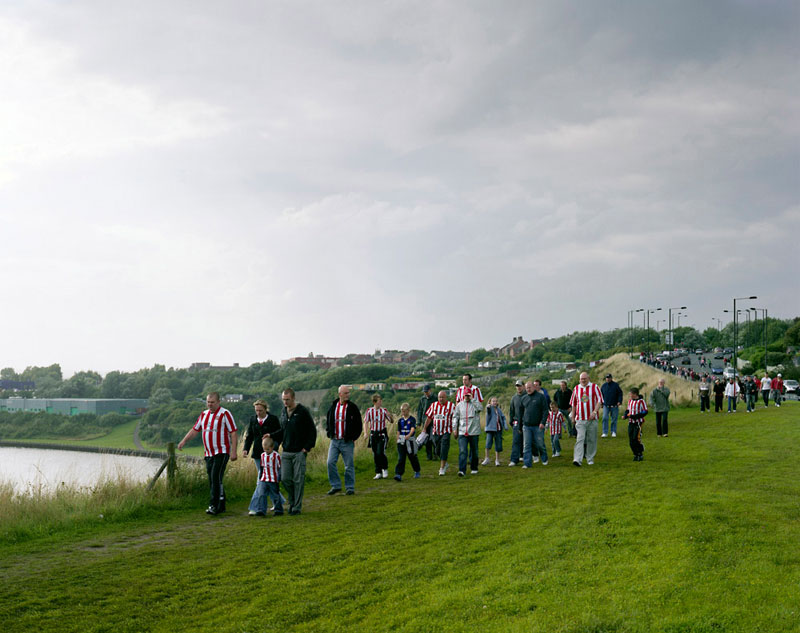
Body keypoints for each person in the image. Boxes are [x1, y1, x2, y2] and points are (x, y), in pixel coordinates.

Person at [178, 392, 238, 515]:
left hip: (221, 451)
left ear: (218, 402)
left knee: (215, 477)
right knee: (214, 479)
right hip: (209, 453)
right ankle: (221, 503)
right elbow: (195, 430)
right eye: (208, 402)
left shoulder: (225, 413)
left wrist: (233, 452)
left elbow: (233, 432)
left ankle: (213, 505)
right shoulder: (204, 414)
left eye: (212, 402)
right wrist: (184, 440)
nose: (210, 405)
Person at [279, 388, 317, 515]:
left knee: (298, 480)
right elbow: (282, 430)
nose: (285, 402)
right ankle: (292, 499)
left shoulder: (302, 411)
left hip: (299, 451)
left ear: (293, 398)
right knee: (285, 479)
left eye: (287, 400)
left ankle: (296, 507)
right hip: (286, 451)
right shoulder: (283, 412)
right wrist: (271, 437)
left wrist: (307, 447)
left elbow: (312, 430)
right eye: (283, 400)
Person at [243, 399, 284, 516]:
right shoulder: (253, 419)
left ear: (266, 409)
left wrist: (273, 442)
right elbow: (249, 435)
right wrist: (246, 448)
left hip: (271, 454)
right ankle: (279, 502)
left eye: (260, 410)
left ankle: (255, 507)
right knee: (263, 479)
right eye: (256, 411)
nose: (258, 413)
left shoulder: (273, 419)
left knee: (263, 480)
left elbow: (280, 433)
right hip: (257, 454)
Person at [325, 385, 362, 495]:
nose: (348, 395)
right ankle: (335, 485)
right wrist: (329, 432)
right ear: (340, 394)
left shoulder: (352, 407)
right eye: (345, 393)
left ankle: (350, 487)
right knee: (330, 462)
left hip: (347, 441)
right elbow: (329, 420)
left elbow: (358, 424)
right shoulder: (333, 406)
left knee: (348, 465)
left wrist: (353, 437)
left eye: (348, 393)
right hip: (335, 440)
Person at [569, 372, 603, 466]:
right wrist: (573, 417)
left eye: (584, 378)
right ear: (579, 380)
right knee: (580, 438)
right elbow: (573, 403)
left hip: (592, 419)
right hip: (580, 419)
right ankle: (577, 459)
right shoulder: (576, 388)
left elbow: (600, 401)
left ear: (588, 378)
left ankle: (590, 458)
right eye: (581, 379)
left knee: (591, 439)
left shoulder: (595, 387)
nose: (583, 380)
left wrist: (595, 412)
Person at [424, 390, 455, 476]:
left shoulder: (451, 406)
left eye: (443, 397)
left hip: (446, 431)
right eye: (439, 397)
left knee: (444, 447)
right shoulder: (433, 406)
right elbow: (429, 418)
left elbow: (455, 418)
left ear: (446, 397)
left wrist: (455, 430)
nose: (441, 399)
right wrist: (424, 428)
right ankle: (445, 463)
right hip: (436, 431)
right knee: (437, 451)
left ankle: (442, 468)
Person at [363, 394, 394, 480]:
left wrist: (390, 415)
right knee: (375, 453)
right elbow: (365, 422)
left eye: (381, 401)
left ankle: (384, 468)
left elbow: (391, 421)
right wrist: (365, 433)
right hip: (373, 434)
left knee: (381, 452)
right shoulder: (369, 411)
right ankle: (378, 472)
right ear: (374, 402)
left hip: (382, 434)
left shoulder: (384, 410)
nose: (381, 403)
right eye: (379, 401)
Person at [453, 388, 481, 476]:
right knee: (462, 451)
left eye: (469, 395)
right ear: (463, 395)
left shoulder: (475, 404)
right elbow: (455, 417)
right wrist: (455, 429)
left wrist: (473, 400)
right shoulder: (459, 405)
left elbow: (480, 408)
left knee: (474, 451)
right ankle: (462, 470)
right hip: (462, 432)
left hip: (474, 431)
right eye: (466, 395)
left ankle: (474, 467)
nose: (467, 397)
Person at [521, 380, 549, 468]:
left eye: (529, 387)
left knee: (540, 444)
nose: (528, 389)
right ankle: (527, 463)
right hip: (526, 426)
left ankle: (544, 458)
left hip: (538, 425)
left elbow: (545, 411)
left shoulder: (540, 397)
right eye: (526, 388)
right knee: (526, 445)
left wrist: (542, 422)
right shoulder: (524, 398)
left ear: (533, 387)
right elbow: (521, 412)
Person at [256, 436, 283, 515]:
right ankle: (261, 510)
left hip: (273, 479)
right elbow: (261, 467)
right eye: (264, 449)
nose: (266, 451)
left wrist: (279, 477)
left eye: (268, 449)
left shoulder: (276, 456)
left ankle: (278, 510)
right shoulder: (262, 455)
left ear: (272, 447)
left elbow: (280, 467)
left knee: (275, 495)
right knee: (261, 494)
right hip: (264, 478)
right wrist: (260, 476)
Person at [394, 403, 421, 481]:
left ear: (408, 410)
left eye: (404, 411)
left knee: (412, 457)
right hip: (401, 440)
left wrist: (409, 435)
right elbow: (398, 431)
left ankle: (417, 470)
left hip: (410, 441)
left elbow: (413, 429)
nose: (403, 412)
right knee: (401, 458)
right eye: (402, 411)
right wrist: (397, 439)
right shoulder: (400, 420)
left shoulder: (412, 419)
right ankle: (398, 474)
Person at [622, 387, 648, 462]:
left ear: (635, 394)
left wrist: (636, 416)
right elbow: (628, 410)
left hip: (638, 423)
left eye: (631, 394)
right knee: (631, 440)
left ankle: (640, 453)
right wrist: (625, 415)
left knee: (635, 439)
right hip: (631, 423)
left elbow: (645, 411)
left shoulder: (641, 401)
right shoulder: (630, 401)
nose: (630, 395)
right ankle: (635, 454)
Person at [482, 397, 507, 466]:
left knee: (498, 445)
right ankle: (486, 458)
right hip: (490, 429)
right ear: (490, 402)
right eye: (493, 401)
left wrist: (505, 425)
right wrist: (488, 407)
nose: (495, 402)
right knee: (488, 444)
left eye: (496, 401)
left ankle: (497, 460)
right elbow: (488, 411)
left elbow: (503, 417)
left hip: (498, 429)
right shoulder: (490, 409)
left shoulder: (499, 410)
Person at [417, 385, 438, 461]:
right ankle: (429, 456)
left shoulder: (435, 398)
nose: (425, 393)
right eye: (424, 392)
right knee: (426, 440)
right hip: (424, 422)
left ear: (430, 390)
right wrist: (418, 422)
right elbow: (419, 410)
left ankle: (436, 454)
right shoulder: (422, 399)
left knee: (433, 439)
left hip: (433, 422)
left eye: (426, 392)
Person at [507, 380, 526, 466]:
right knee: (516, 441)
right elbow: (511, 410)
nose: (518, 387)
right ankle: (514, 459)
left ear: (523, 386)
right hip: (517, 422)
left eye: (520, 386)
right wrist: (511, 421)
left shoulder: (527, 396)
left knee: (526, 441)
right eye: (517, 386)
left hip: (526, 422)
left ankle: (525, 457)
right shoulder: (514, 398)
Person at [600, 374, 623, 438]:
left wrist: (619, 401)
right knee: (604, 418)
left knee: (614, 419)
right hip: (606, 405)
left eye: (609, 378)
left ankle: (613, 431)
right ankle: (605, 432)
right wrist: (601, 403)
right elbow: (601, 395)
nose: (607, 379)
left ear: (611, 378)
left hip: (614, 405)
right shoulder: (603, 386)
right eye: (606, 378)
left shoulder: (616, 385)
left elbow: (620, 393)